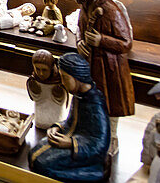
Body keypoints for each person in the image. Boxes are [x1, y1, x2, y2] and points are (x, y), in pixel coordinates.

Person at [68, 0, 134, 150]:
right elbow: (80, 30)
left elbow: (126, 43)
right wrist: (80, 42)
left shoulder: (111, 10)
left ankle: (111, 137)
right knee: (91, 100)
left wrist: (101, 40)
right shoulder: (85, 8)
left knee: (109, 103)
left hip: (109, 67)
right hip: (91, 65)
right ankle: (91, 132)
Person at [30, 53, 111, 181]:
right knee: (34, 154)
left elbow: (100, 144)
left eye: (65, 78)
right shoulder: (79, 96)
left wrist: (71, 144)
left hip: (84, 151)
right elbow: (72, 122)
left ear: (77, 78)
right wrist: (57, 128)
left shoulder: (95, 104)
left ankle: (95, 173)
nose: (62, 82)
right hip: (72, 139)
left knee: (42, 164)